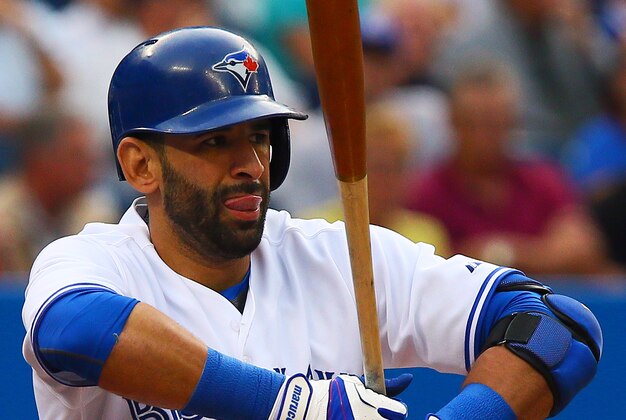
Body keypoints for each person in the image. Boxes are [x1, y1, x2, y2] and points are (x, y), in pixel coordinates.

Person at [21, 27, 602, 419]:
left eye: (258, 137)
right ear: (140, 164)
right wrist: (290, 404)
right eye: (216, 141)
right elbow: (75, 331)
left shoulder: (336, 257)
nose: (249, 165)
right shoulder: (98, 260)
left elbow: (557, 329)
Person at [406, 58, 619, 277]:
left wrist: (501, 252)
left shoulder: (543, 180)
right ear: (452, 122)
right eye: (473, 123)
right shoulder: (425, 192)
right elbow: (423, 271)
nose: (485, 135)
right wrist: (542, 254)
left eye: (496, 123)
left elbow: (583, 250)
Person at [302, 102, 450, 254]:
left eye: (397, 167)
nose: (387, 179)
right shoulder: (317, 229)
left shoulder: (426, 235)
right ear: (354, 168)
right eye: (379, 166)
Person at [0, 109, 118, 276]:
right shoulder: (3, 215)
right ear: (40, 158)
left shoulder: (97, 215)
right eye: (77, 156)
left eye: (91, 157)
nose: (89, 167)